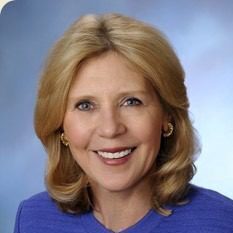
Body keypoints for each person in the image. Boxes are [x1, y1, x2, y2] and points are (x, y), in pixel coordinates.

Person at [13, 13, 233, 233]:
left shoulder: (221, 222)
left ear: (167, 116)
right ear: (61, 125)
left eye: (131, 102)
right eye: (85, 105)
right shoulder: (33, 219)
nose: (110, 129)